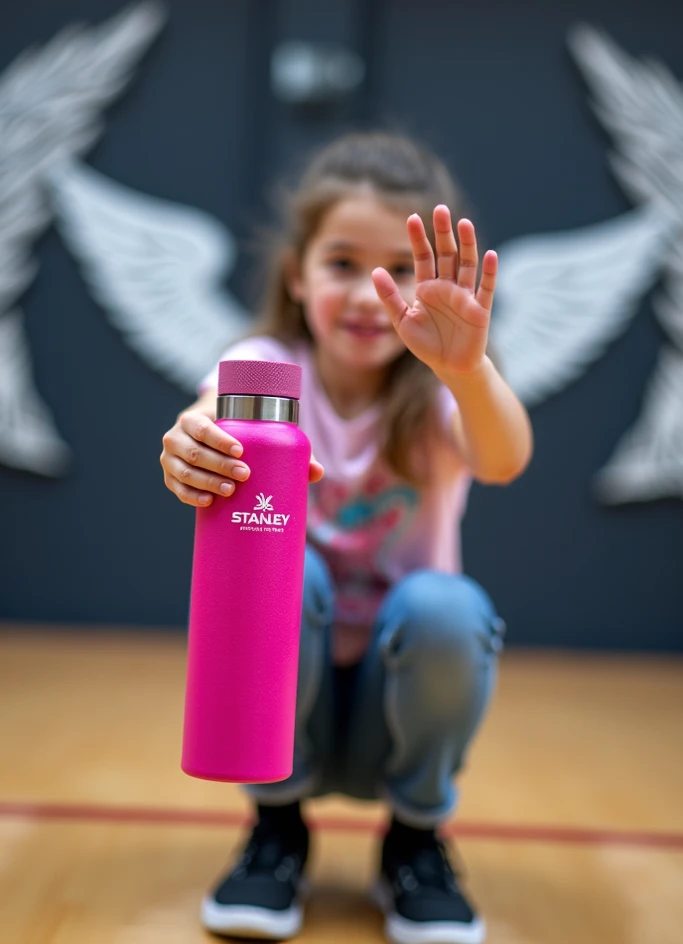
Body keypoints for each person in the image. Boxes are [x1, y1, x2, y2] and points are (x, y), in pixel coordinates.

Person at [160, 130, 533, 944]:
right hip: (285, 715)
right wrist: (189, 440)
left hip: (393, 713)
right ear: (296, 275)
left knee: (446, 607)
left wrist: (467, 370)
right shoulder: (264, 368)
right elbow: (212, 409)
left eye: (397, 270)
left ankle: (414, 840)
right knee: (292, 578)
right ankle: (276, 830)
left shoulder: (439, 390)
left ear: (430, 280)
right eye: (340, 264)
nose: (370, 293)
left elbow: (503, 459)